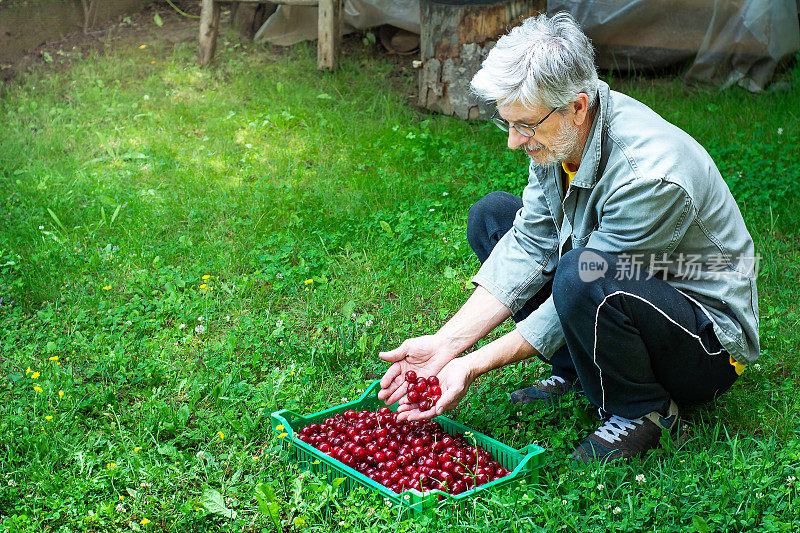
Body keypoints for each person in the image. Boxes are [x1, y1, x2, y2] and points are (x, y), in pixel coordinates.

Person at [377, 12, 759, 462]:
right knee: (493, 217)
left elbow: (586, 278)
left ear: (577, 107)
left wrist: (473, 364)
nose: (514, 143)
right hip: (621, 285)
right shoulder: (560, 137)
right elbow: (529, 243)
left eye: (525, 126)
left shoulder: (651, 175)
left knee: (581, 273)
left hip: (703, 340)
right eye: (508, 124)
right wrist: (447, 343)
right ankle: (577, 370)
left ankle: (644, 411)